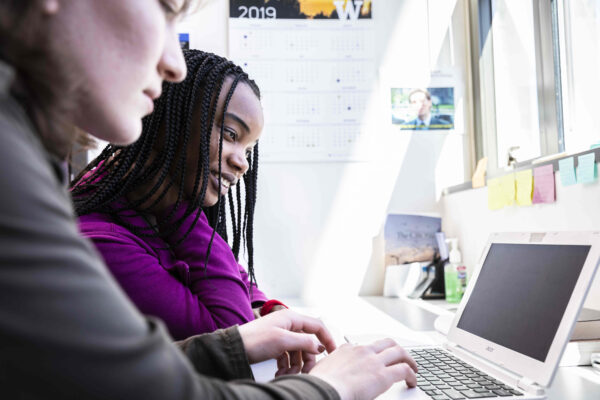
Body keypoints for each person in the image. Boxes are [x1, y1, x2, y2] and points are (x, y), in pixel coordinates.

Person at [0, 1, 418, 399]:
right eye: (164, 8)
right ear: (175, 126)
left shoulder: (38, 158)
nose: (174, 66)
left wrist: (263, 317)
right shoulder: (93, 226)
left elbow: (237, 287)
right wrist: (332, 386)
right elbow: (178, 370)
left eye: (249, 149)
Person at [70, 50, 284, 340]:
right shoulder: (103, 244)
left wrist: (268, 309)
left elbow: (233, 273)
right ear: (173, 122)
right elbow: (234, 336)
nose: (243, 163)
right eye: (232, 135)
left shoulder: (151, 200)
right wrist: (177, 211)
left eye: (248, 150)